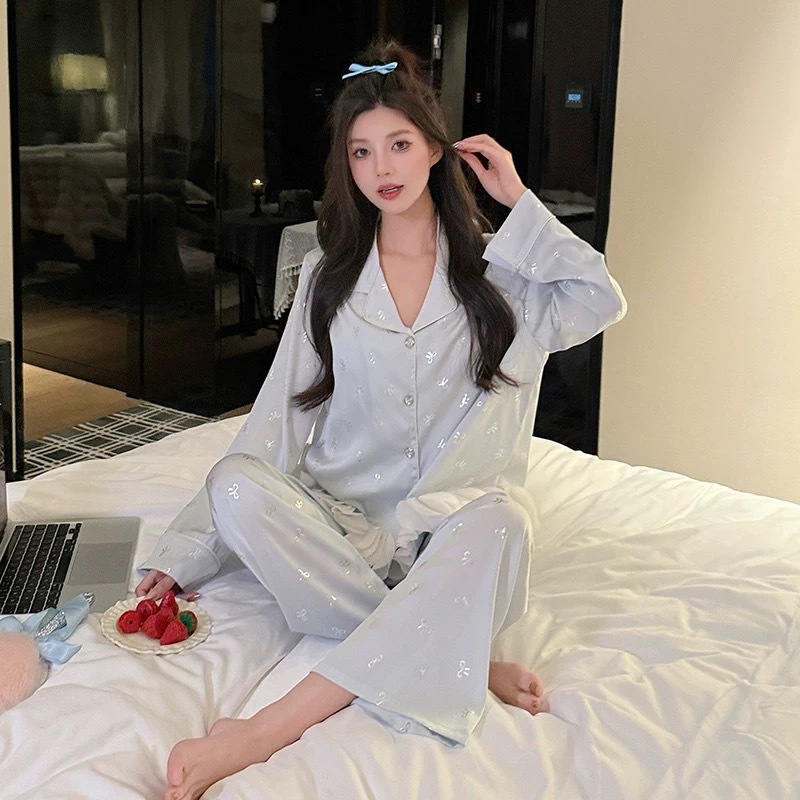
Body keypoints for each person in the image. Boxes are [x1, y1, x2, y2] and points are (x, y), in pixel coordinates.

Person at [137, 39, 626, 800]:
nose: (382, 168)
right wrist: (190, 550)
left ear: (435, 148)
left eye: (399, 144)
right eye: (362, 151)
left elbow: (601, 299)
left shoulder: (504, 278)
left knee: (506, 521)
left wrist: (518, 199)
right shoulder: (327, 279)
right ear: (348, 166)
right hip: (345, 531)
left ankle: (264, 730)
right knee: (236, 483)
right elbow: (274, 423)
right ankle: (457, 651)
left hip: (452, 529)